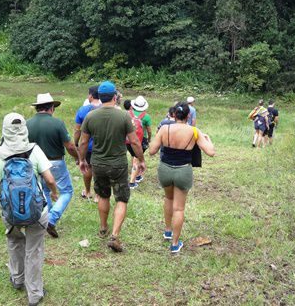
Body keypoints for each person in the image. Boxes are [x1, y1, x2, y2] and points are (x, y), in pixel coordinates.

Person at [0, 113, 59, 306]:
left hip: (10, 211)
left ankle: (17, 279)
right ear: (24, 129)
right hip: (37, 211)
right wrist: (54, 193)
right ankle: (35, 294)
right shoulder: (35, 150)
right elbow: (49, 179)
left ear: (4, 130)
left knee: (14, 241)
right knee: (34, 249)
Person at [78, 81, 146, 252]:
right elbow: (135, 141)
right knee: (121, 198)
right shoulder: (124, 116)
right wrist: (141, 159)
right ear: (115, 97)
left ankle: (103, 228)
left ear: (99, 97)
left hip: (98, 163)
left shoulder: (90, 116)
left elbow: (83, 142)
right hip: (118, 164)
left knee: (103, 195)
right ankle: (114, 235)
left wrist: (82, 160)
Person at [149, 102, 215, 254]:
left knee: (168, 199)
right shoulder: (194, 131)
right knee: (179, 208)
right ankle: (174, 244)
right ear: (188, 116)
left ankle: (167, 231)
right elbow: (211, 152)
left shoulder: (165, 128)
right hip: (183, 171)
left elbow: (152, 151)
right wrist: (208, 138)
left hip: (164, 169)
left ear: (173, 114)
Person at [27, 93, 82, 238]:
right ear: (51, 108)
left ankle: (45, 220)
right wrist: (79, 158)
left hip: (34, 163)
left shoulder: (27, 124)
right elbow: (70, 146)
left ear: (37, 108)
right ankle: (51, 219)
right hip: (55, 162)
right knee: (66, 191)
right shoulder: (57, 123)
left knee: (44, 190)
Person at [74, 86, 100, 202]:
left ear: (91, 96)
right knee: (98, 170)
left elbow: (77, 130)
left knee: (87, 167)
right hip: (102, 146)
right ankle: (98, 195)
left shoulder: (83, 110)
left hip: (87, 147)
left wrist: (75, 143)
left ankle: (88, 191)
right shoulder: (106, 109)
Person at [128, 95, 152, 188]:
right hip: (141, 140)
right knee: (136, 159)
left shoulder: (128, 113)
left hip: (128, 140)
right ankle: (132, 182)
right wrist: (149, 139)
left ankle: (137, 175)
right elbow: (149, 131)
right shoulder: (146, 117)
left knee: (134, 157)